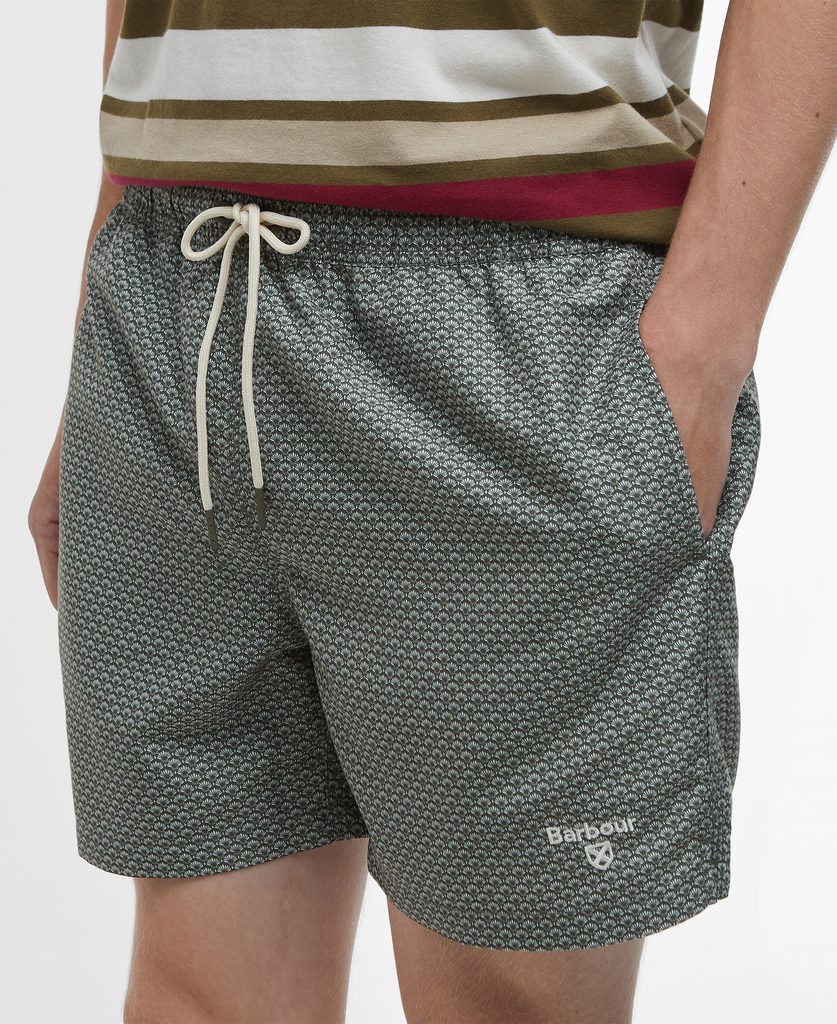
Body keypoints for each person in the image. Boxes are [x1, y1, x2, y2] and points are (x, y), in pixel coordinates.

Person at [28, 1, 835, 1022]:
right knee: (200, 993)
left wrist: (700, 350)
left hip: (515, 326)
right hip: (173, 292)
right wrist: (95, 320)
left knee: (507, 998)